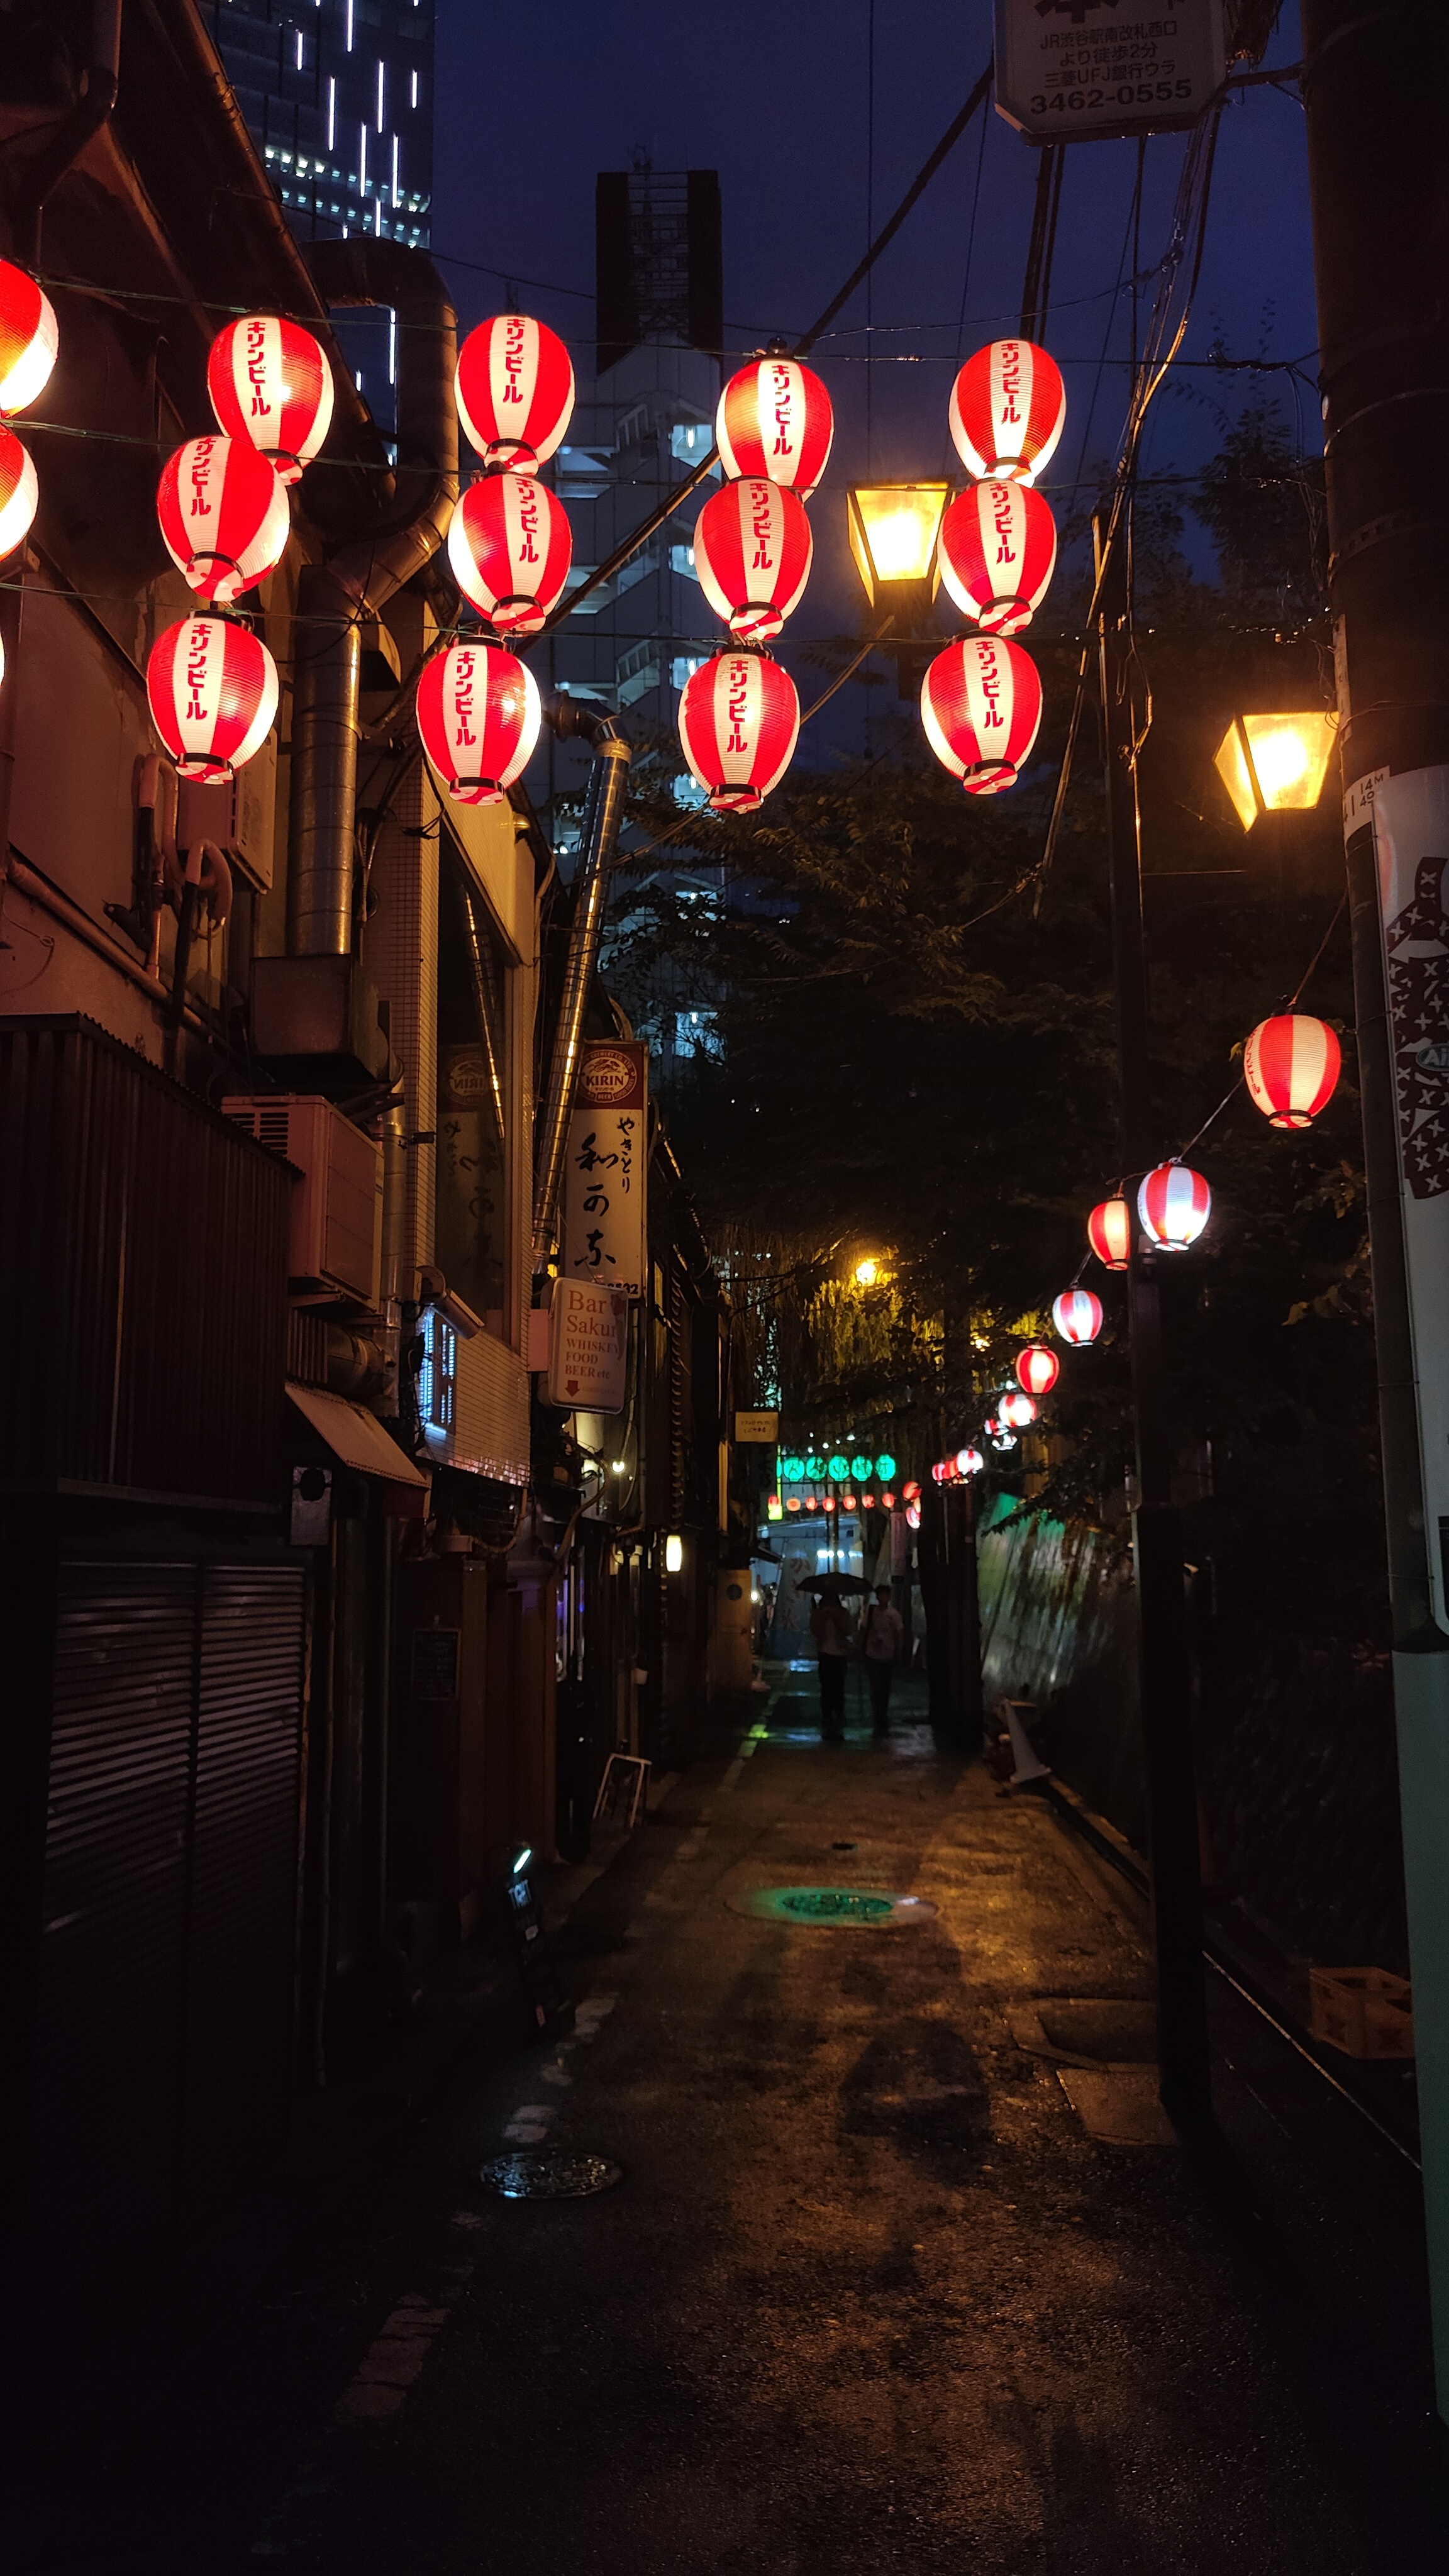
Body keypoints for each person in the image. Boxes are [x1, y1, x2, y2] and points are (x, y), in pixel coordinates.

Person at [861, 1584, 904, 1736]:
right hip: (872, 1653)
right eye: (881, 1595)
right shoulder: (872, 1611)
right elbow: (865, 1629)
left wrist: (899, 1650)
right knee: (876, 1685)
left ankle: (882, 1711)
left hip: (888, 1654)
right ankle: (878, 1712)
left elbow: (899, 1633)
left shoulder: (893, 1614)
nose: (883, 1598)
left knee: (884, 1685)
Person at [810, 1591, 852, 1741]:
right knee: (826, 1685)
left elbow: (848, 1630)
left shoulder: (843, 1614)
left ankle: (839, 1711)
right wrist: (823, 1618)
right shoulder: (819, 1614)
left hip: (840, 1653)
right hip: (825, 1653)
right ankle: (827, 1713)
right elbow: (815, 1631)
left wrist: (836, 1620)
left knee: (839, 1685)